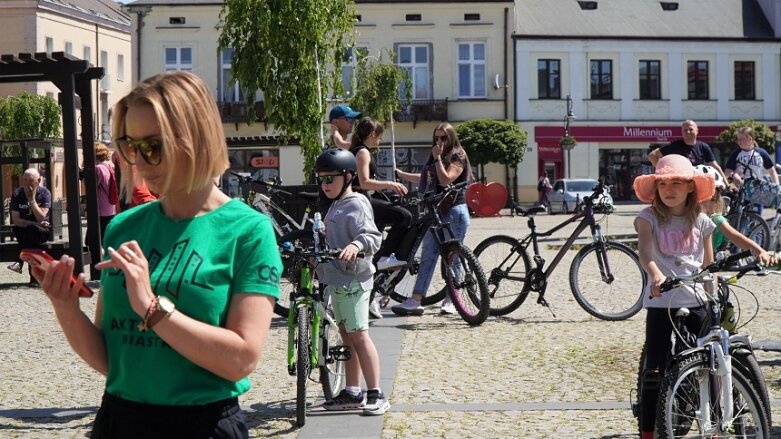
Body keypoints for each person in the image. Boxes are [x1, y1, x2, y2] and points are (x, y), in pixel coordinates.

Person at [30, 71, 282, 438]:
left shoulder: (247, 231)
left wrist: (152, 307)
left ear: (196, 138)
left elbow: (242, 360)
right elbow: (112, 359)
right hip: (119, 420)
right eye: (130, 146)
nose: (140, 161)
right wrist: (65, 308)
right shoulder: (123, 227)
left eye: (154, 146)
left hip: (202, 425)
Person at [632, 154, 716, 439]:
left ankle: (716, 423)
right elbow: (644, 252)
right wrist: (655, 274)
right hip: (661, 301)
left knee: (711, 363)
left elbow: (708, 266)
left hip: (695, 300)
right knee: (654, 369)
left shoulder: (702, 221)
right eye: (663, 183)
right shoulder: (648, 218)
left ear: (691, 186)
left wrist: (712, 298)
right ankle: (647, 431)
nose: (669, 189)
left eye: (677, 182)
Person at [313, 148, 390, 415]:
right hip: (338, 279)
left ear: (347, 176)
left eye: (330, 179)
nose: (325, 185)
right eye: (321, 179)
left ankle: (376, 392)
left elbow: (372, 235)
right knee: (346, 335)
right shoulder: (334, 204)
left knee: (359, 335)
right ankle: (352, 391)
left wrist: (356, 244)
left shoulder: (356, 202)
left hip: (355, 280)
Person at [392, 122, 473, 316]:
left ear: (451, 138)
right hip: (436, 211)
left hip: (454, 210)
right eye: (436, 138)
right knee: (428, 255)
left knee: (453, 257)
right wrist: (402, 175)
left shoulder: (457, 155)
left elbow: (446, 180)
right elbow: (426, 178)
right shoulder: (437, 156)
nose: (439, 141)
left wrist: (437, 158)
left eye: (443, 138)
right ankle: (416, 300)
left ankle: (452, 300)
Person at [348, 117, 411, 264]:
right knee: (404, 216)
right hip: (361, 200)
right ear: (372, 133)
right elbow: (364, 183)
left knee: (382, 221)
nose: (380, 138)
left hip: (361, 199)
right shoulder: (363, 152)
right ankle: (384, 258)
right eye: (379, 134)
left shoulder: (358, 149)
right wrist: (390, 184)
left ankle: (374, 259)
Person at [694, 164, 776, 265]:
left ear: (717, 200)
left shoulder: (716, 219)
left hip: (704, 271)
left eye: (712, 199)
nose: (705, 204)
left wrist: (760, 251)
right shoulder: (682, 219)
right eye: (700, 198)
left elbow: (737, 237)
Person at [7, 168, 51, 285]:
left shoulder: (44, 193)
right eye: (25, 180)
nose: (27, 183)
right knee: (30, 234)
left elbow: (41, 217)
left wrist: (32, 200)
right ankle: (34, 278)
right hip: (23, 231)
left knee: (31, 232)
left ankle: (19, 261)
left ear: (39, 180)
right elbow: (16, 221)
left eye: (31, 180)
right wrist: (36, 223)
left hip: (42, 231)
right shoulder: (17, 194)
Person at [647, 120, 728, 181]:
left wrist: (727, 184)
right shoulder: (675, 145)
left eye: (690, 129)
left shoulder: (703, 146)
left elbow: (715, 166)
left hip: (697, 181)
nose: (688, 132)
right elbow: (652, 156)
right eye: (685, 130)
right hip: (681, 182)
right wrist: (663, 173)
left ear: (697, 131)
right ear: (682, 132)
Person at [85, 142, 117, 248]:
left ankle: (98, 263)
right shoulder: (109, 166)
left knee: (91, 242)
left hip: (100, 211)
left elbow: (92, 187)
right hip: (110, 208)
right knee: (105, 241)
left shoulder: (97, 168)